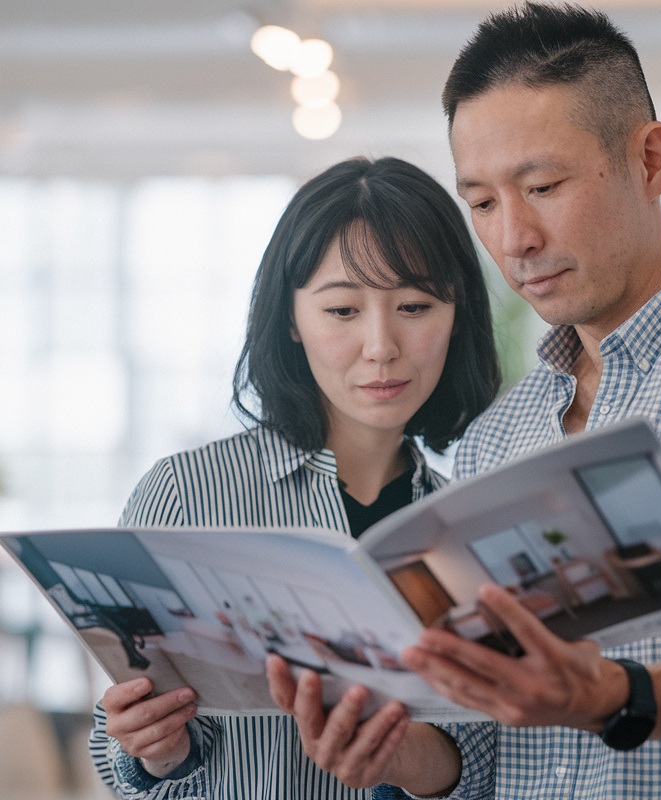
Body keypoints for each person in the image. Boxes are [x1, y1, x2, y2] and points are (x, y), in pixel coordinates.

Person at [280, 4, 661, 799]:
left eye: (542, 186)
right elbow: (489, 750)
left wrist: (616, 695)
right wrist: (400, 753)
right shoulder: (498, 437)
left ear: (651, 161)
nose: (514, 239)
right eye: (482, 203)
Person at [85, 155, 501, 800]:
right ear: (291, 319)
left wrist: (398, 754)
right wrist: (152, 749)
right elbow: (124, 751)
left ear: (457, 315)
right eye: (342, 310)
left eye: (415, 305)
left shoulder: (467, 523)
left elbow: (482, 763)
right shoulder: (187, 496)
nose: (381, 345)